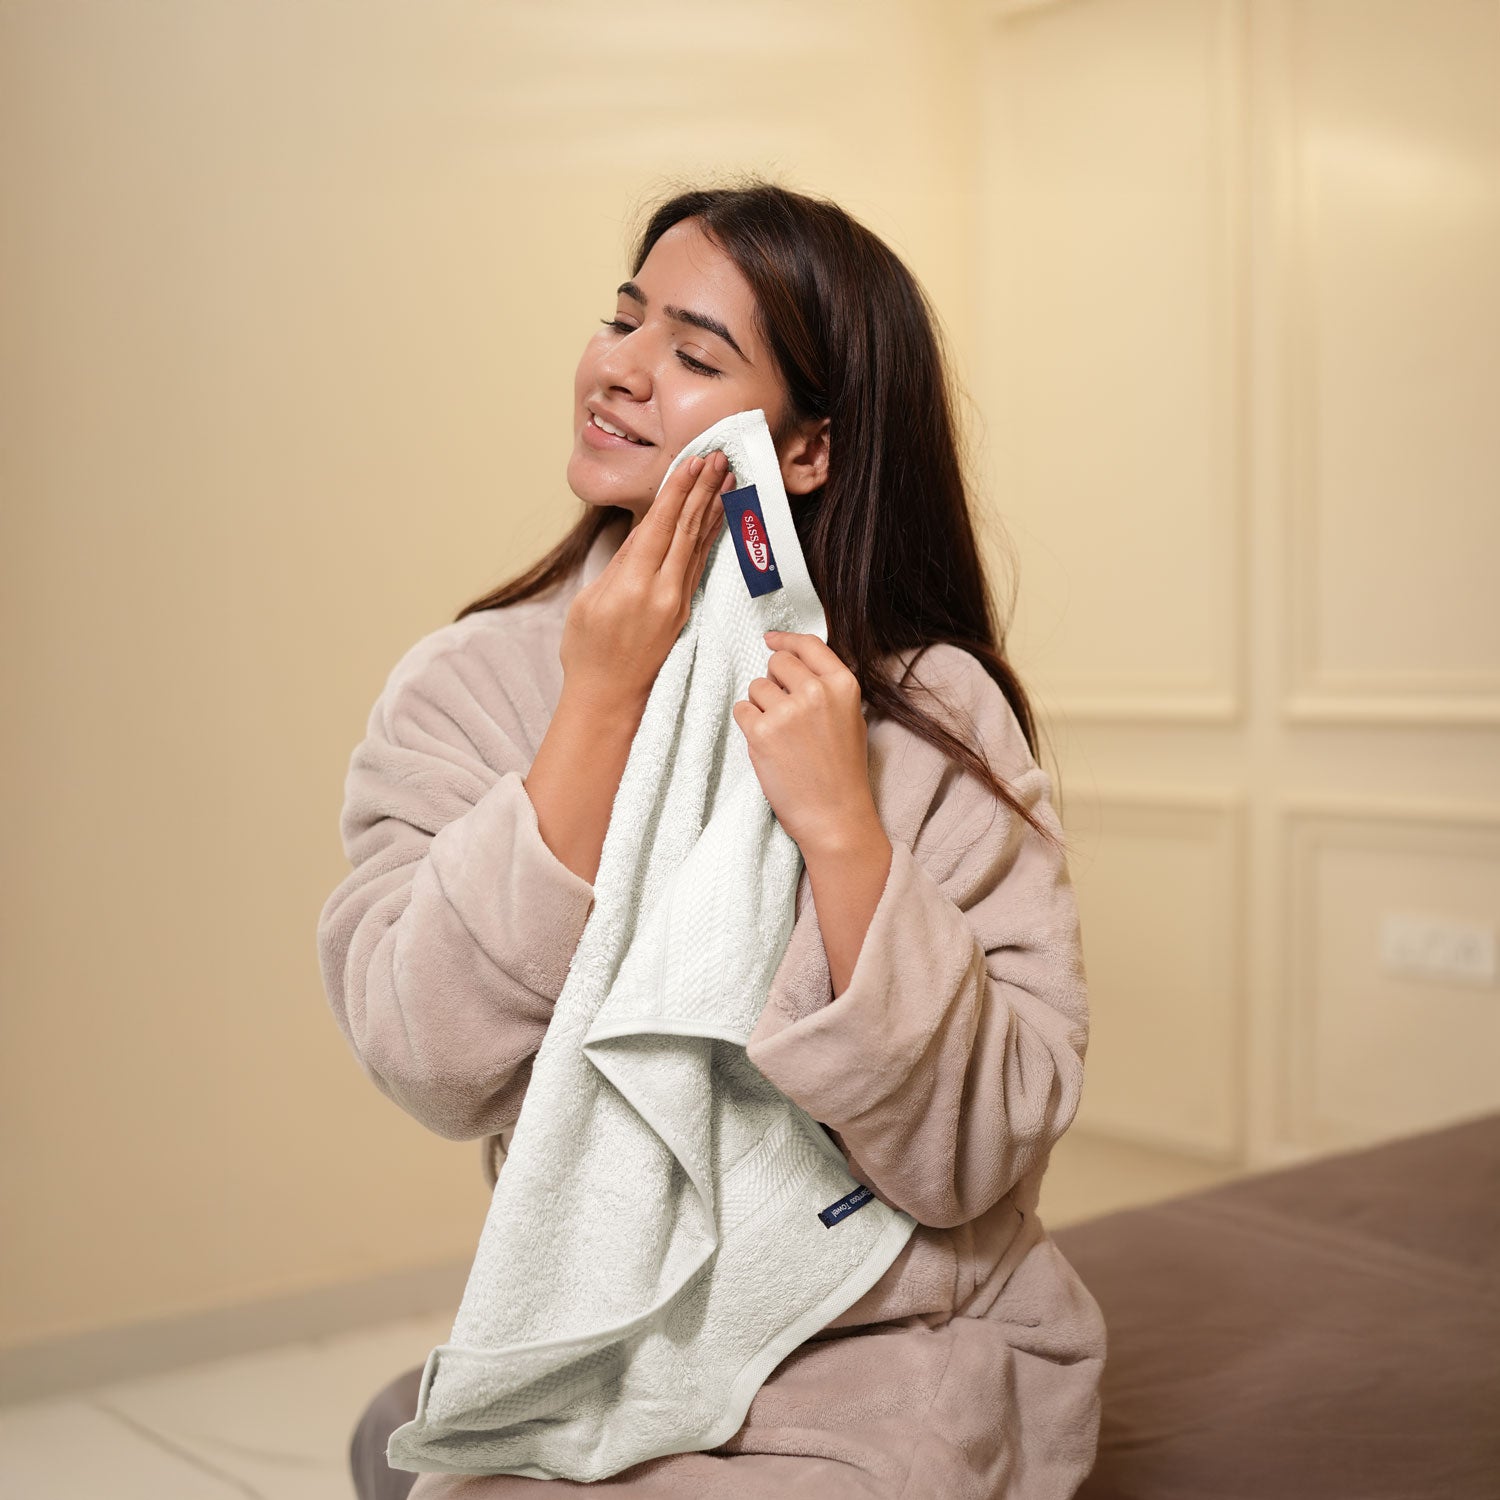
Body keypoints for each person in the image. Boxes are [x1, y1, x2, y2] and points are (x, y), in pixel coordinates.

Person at [319, 178, 1107, 1500]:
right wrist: (596, 709)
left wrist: (842, 832)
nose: (621, 370)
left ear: (806, 451)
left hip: (890, 1358)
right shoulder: (469, 686)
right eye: (622, 320)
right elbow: (428, 1060)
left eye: (693, 355)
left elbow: (981, 1148)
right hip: (597, 1357)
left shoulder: (931, 712)